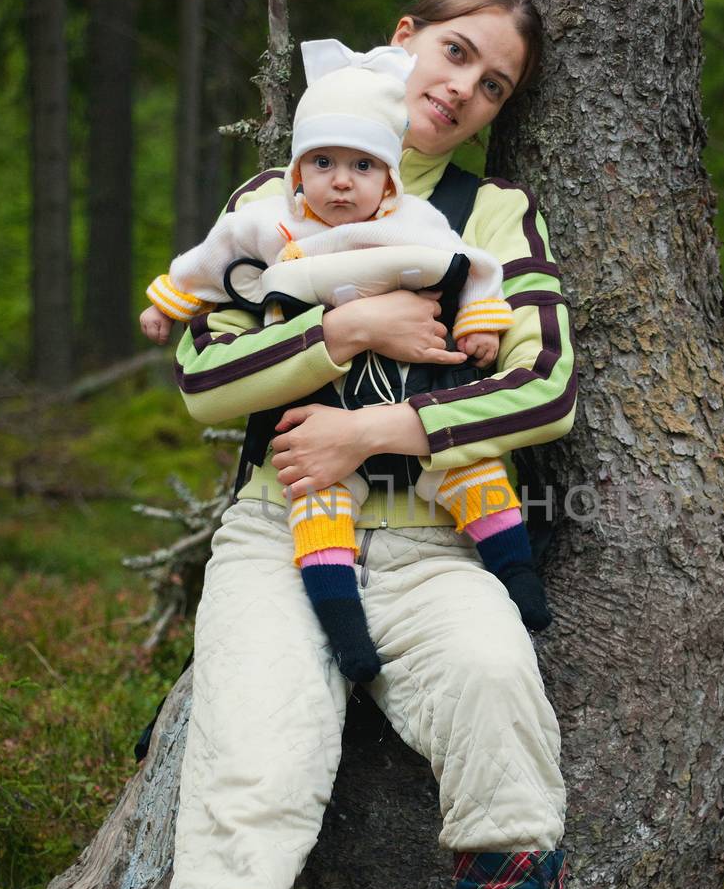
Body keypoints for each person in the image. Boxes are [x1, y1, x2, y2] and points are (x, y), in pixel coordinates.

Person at [140, 0, 608, 889]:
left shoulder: (495, 214)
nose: (461, 86)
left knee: (502, 702)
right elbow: (203, 377)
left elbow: (547, 388)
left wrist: (374, 420)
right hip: (279, 537)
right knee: (251, 777)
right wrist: (343, 322)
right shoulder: (282, 189)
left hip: (433, 541)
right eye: (453, 51)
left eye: (491, 81)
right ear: (404, 42)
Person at [139, 39, 549, 683]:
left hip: (423, 455)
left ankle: (520, 580)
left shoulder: (421, 219)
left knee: (474, 478)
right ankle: (346, 638)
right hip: (307, 440)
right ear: (297, 168)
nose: (340, 180)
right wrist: (172, 302)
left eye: (494, 85)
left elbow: (476, 275)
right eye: (321, 162)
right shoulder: (267, 218)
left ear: (386, 179)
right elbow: (208, 280)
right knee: (318, 510)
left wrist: (478, 320)